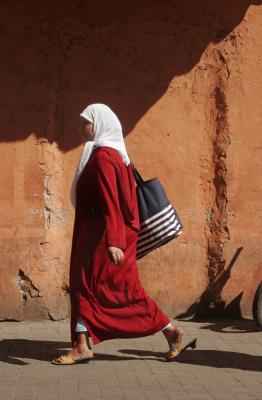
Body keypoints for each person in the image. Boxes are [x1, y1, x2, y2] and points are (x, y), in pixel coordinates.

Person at [52, 103, 183, 365]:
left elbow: (112, 202)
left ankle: (168, 330)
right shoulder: (114, 155)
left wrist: (114, 242)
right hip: (97, 236)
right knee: (92, 289)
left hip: (101, 239)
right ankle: (82, 344)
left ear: (99, 124)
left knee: (114, 292)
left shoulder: (103, 158)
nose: (80, 129)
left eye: (85, 123)